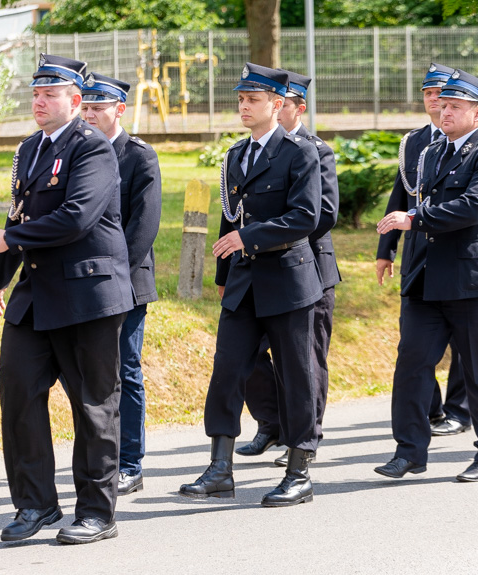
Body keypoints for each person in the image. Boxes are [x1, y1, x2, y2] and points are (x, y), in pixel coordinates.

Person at [0, 54, 132, 544]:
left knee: (93, 405)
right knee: (18, 389)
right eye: (36, 95)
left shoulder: (93, 148)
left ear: (75, 101)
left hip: (88, 294)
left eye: (50, 95)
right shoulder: (29, 148)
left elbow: (77, 217)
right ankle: (35, 503)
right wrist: (0, 279)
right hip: (37, 295)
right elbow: (21, 218)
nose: (39, 102)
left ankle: (97, 512)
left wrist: (6, 241)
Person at [178, 63, 322, 507]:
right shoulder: (236, 155)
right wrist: (223, 277)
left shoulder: (301, 153)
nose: (244, 106)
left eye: (253, 100)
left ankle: (298, 472)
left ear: (278, 105)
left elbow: (306, 217)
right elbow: (229, 220)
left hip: (288, 280)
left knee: (298, 377)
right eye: (241, 99)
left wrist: (250, 238)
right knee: (226, 374)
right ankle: (220, 468)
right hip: (243, 284)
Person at [375, 69, 478, 482]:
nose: (444, 110)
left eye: (455, 105)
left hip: (473, 281)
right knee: (412, 366)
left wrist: (415, 218)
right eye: (443, 103)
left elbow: (473, 205)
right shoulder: (430, 153)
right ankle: (410, 451)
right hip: (425, 279)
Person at [236, 69, 340, 467]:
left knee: (305, 358)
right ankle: (270, 423)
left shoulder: (315, 150)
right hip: (260, 268)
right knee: (249, 354)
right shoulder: (252, 150)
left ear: (295, 107)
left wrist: (277, 236)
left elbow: (322, 215)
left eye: (285, 105)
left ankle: (305, 438)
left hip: (307, 265)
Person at [375, 63, 470, 439]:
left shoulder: (471, 140)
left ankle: (460, 410)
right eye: (429, 94)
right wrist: (387, 249)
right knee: (414, 338)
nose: (435, 101)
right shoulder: (413, 141)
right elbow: (401, 195)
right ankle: (430, 409)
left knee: (463, 341)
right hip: (417, 250)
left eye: (443, 95)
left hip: (457, 250)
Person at [81, 73, 162, 495]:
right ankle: (101, 457)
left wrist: (114, 279)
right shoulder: (79, 153)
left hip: (127, 282)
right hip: (85, 285)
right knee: (93, 375)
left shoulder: (139, 157)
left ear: (119, 110)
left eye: (99, 107)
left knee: (125, 372)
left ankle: (130, 461)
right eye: (86, 107)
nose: (91, 114)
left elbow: (143, 228)